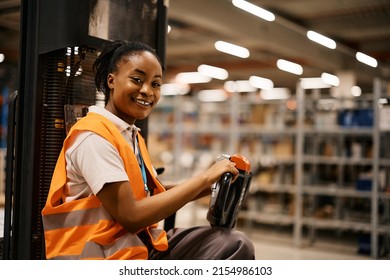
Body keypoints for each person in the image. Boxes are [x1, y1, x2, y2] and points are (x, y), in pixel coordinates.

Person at [42, 40, 255, 260]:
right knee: (235, 245)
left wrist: (212, 184)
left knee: (232, 242)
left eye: (156, 84)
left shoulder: (130, 135)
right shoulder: (94, 136)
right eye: (137, 80)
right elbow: (131, 215)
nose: (147, 91)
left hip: (136, 245)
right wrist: (203, 178)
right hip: (102, 256)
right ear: (111, 80)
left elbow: (150, 194)